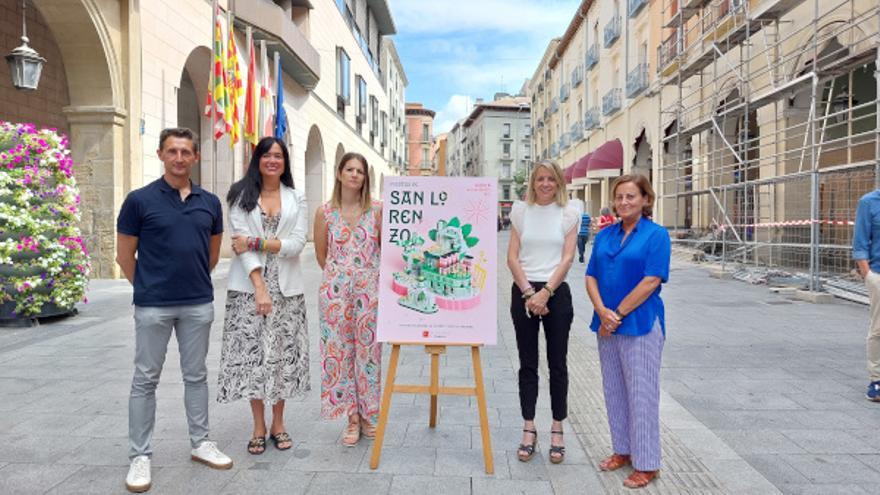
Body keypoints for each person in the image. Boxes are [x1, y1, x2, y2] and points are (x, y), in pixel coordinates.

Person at [116, 128, 232, 493]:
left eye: (185, 152)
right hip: (153, 306)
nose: (179, 158)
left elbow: (212, 254)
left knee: (196, 375)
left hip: (198, 302)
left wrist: (190, 280)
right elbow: (124, 256)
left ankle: (200, 443)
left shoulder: (210, 202)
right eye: (172, 151)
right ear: (161, 154)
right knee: (145, 379)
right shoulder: (139, 200)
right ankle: (140, 456)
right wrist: (149, 287)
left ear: (195, 157)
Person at [217, 137, 310, 455]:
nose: (273, 160)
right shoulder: (240, 195)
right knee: (252, 358)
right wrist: (260, 287)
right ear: (257, 159)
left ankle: (278, 423)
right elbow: (238, 246)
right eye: (267, 155)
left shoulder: (296, 197)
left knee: (282, 357)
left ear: (285, 162)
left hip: (288, 290)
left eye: (279, 156)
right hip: (248, 288)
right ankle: (258, 425)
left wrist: (256, 242)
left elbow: (297, 244)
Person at [585, 174, 670, 489]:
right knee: (614, 390)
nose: (623, 202)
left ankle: (647, 463)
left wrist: (617, 313)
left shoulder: (657, 235)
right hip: (606, 325)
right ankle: (622, 449)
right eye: (619, 196)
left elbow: (652, 280)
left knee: (642, 393)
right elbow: (590, 275)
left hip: (641, 323)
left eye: (631, 196)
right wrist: (600, 311)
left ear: (646, 200)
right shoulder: (605, 235)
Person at [506, 160, 578, 464]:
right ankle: (529, 427)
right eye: (540, 179)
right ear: (532, 183)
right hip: (524, 290)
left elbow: (568, 257)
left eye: (551, 179)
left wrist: (546, 292)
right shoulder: (520, 211)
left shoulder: (570, 212)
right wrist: (528, 293)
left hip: (556, 292)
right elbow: (512, 257)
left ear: (559, 182)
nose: (545, 184)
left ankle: (558, 428)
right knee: (527, 364)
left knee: (557, 364)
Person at [314, 152, 382, 446]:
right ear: (339, 173)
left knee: (369, 354)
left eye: (360, 171)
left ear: (366, 178)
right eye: (350, 169)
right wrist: (339, 279)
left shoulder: (378, 210)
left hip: (370, 292)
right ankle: (351, 417)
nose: (355, 174)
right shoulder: (325, 212)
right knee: (339, 355)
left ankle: (370, 414)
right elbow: (321, 253)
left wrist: (363, 277)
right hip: (335, 296)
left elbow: (385, 250)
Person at [853, 189, 880, 401]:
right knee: (878, 328)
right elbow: (860, 243)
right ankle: (876, 380)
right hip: (878, 274)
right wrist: (868, 275)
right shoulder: (869, 202)